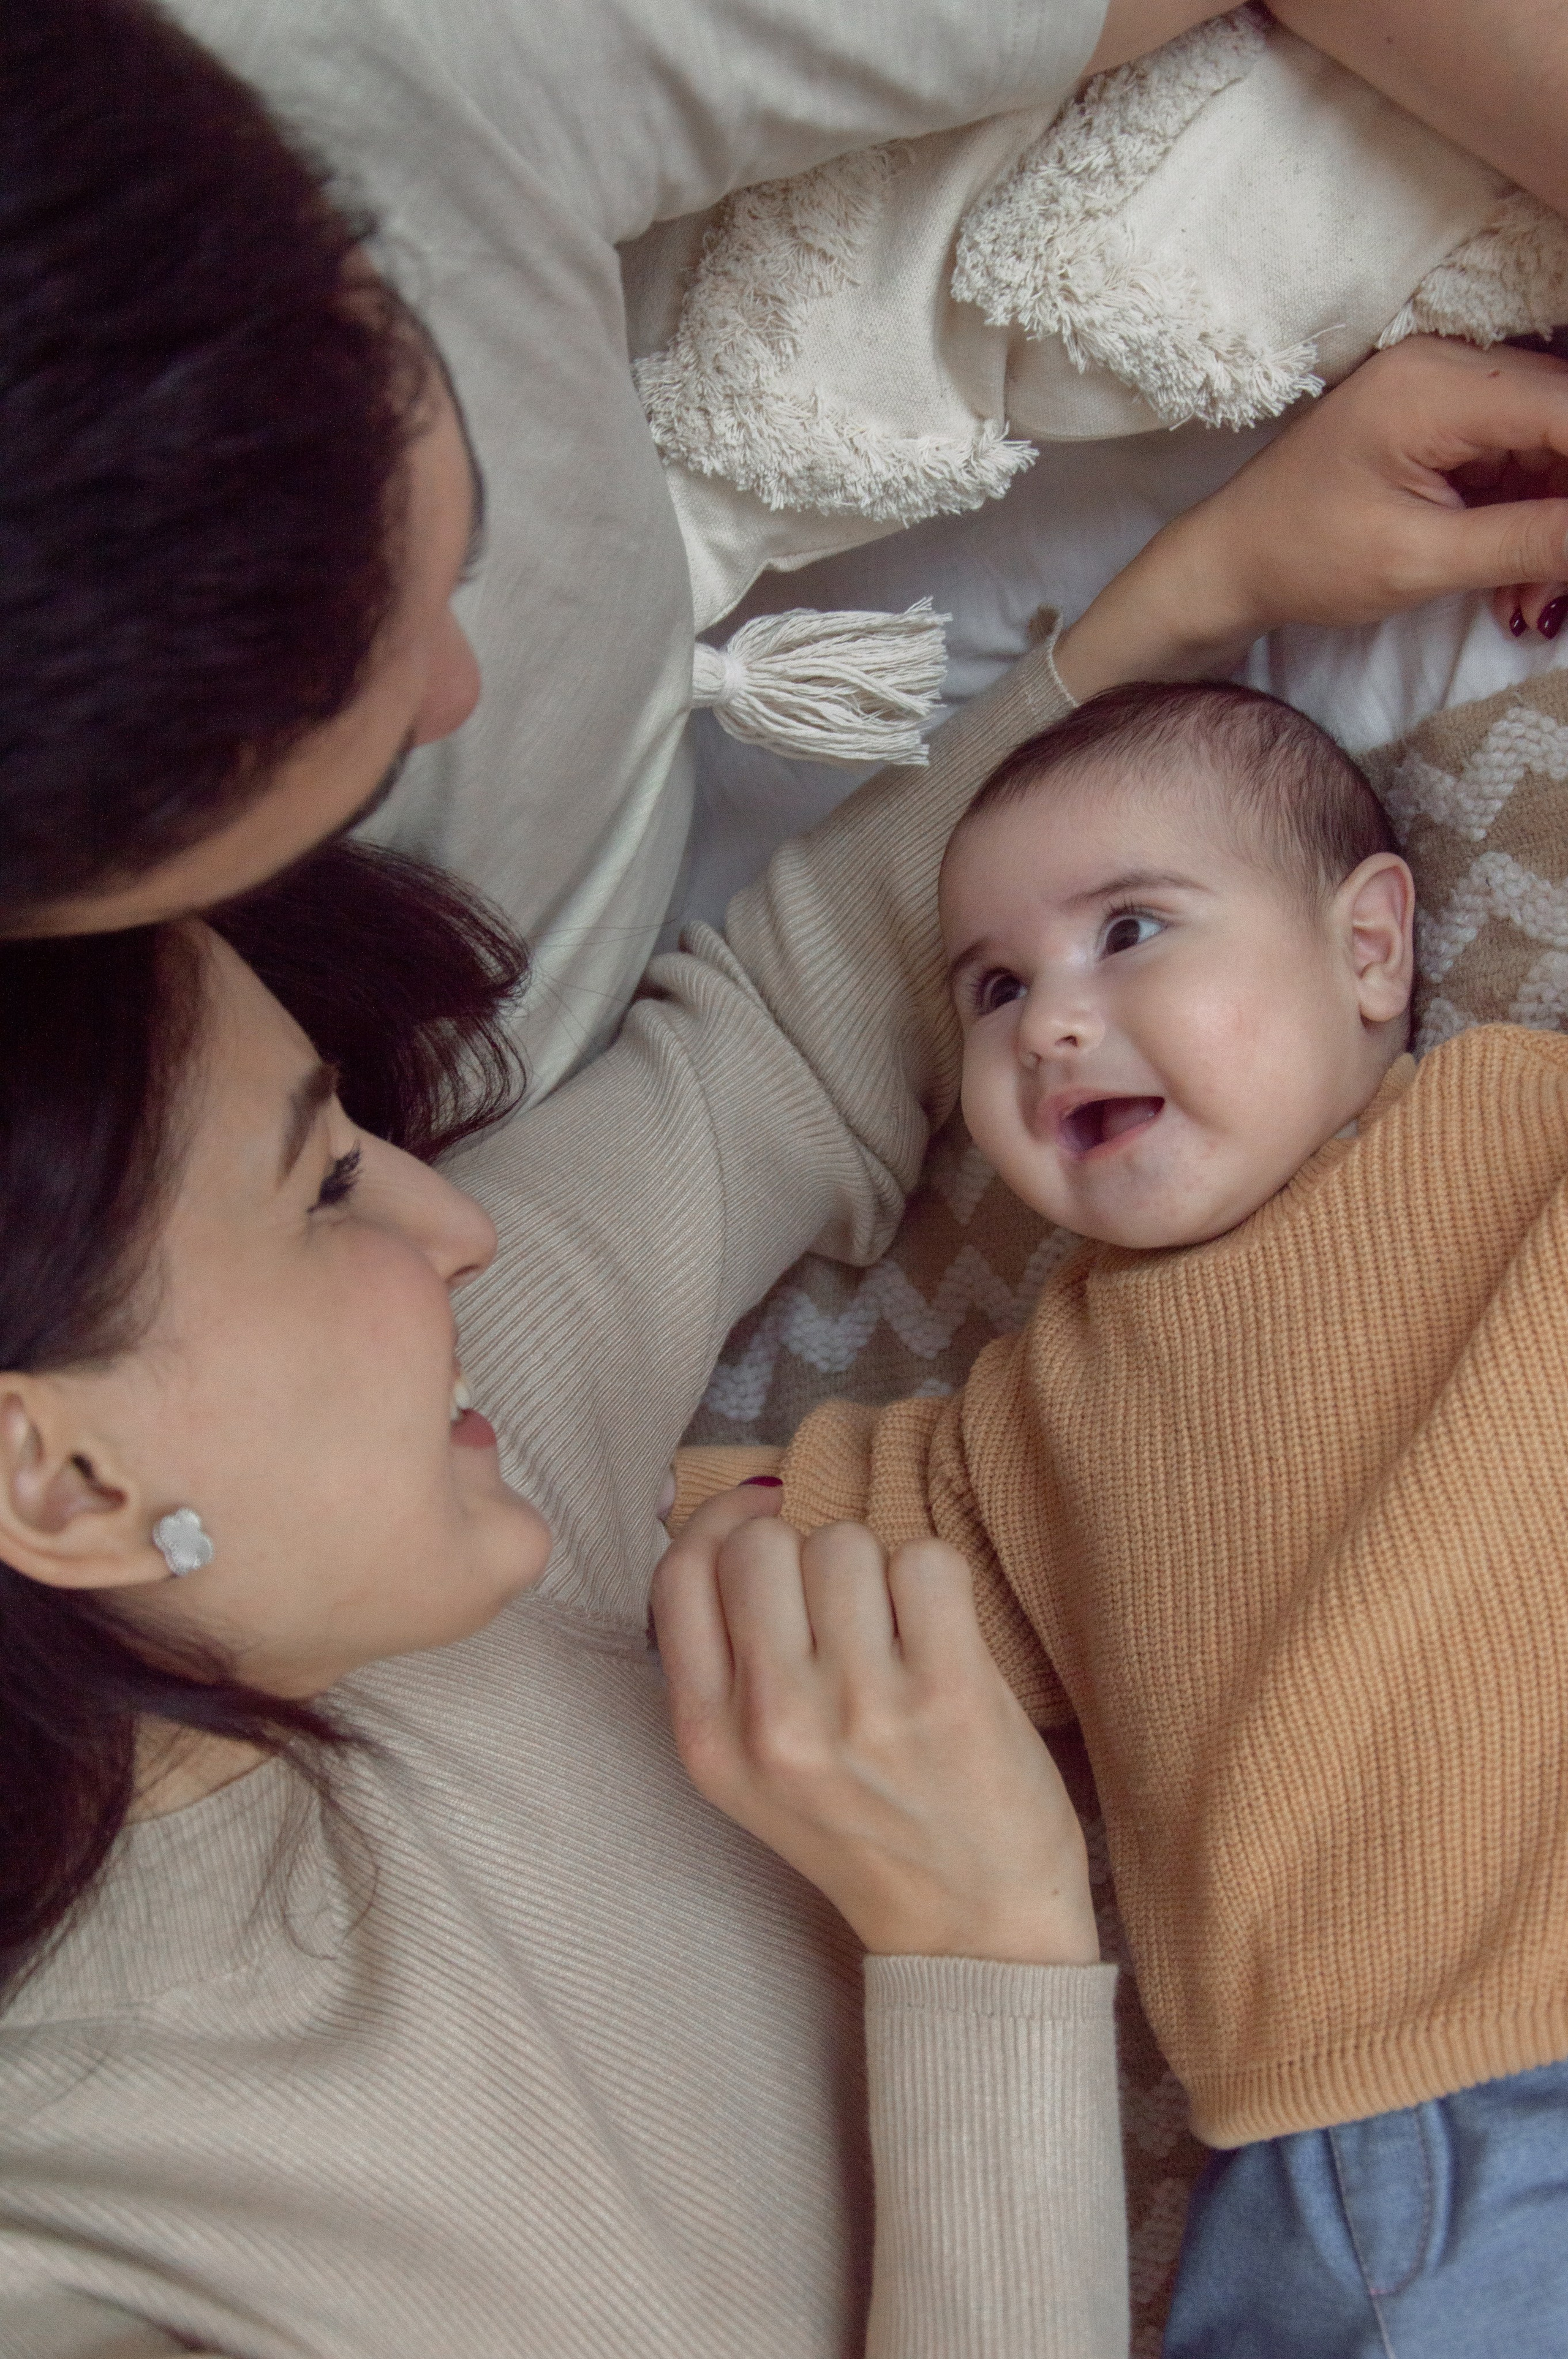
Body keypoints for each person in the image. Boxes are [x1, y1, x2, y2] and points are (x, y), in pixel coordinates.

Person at [7, 2, 1568, 1103]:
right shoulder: (293, 1126)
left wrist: (1212, 584)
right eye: (344, 795)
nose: (462, 683)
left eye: (466, 525)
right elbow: (738, 1101)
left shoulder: (328, 78)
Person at [671, 674, 1568, 2352]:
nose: (1049, 1023)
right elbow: (810, 1544)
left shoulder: (1518, 1129)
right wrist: (667, 1526)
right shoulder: (1029, 1409)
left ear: (1372, 950)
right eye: (996, 987)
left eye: (1133, 930)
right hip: (1320, 2150)